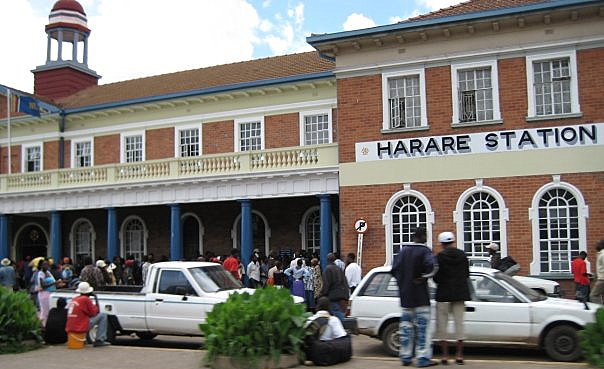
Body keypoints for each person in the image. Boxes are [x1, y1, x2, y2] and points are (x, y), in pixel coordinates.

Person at [391, 227, 437, 367]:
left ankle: (405, 357)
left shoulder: (403, 251)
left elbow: (394, 270)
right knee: (423, 329)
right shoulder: (425, 251)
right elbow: (433, 267)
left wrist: (402, 283)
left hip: (405, 297)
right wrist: (423, 277)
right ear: (422, 236)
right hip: (421, 297)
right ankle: (422, 358)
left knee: (405, 328)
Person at [433, 231, 471, 365]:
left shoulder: (439, 257)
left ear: (442, 244)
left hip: (443, 294)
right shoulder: (462, 255)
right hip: (460, 293)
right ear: (453, 241)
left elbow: (436, 277)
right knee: (459, 324)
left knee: (443, 325)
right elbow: (467, 274)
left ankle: (445, 355)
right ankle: (459, 355)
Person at [304, 296, 352, 366]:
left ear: (317, 306)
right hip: (326, 352)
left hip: (311, 352)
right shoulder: (333, 320)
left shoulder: (309, 319)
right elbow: (342, 336)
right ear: (329, 307)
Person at [66, 281, 111, 347]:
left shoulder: (75, 299)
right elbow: (93, 313)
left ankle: (84, 340)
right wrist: (95, 306)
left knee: (84, 318)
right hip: (80, 325)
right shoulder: (85, 299)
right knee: (103, 315)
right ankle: (100, 339)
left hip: (71, 326)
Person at [320, 253, 349, 321]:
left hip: (333, 297)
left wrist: (322, 294)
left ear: (327, 260)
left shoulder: (328, 269)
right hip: (342, 297)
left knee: (337, 315)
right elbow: (345, 282)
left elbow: (326, 284)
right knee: (338, 315)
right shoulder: (339, 269)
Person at [37, 259, 60, 327]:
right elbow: (43, 285)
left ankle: (48, 325)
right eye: (44, 264)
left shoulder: (48, 273)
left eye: (47, 264)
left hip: (51, 293)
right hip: (44, 293)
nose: (46, 266)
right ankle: (43, 325)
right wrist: (54, 283)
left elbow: (54, 281)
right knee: (45, 311)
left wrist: (57, 284)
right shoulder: (41, 273)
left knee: (50, 311)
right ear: (41, 266)